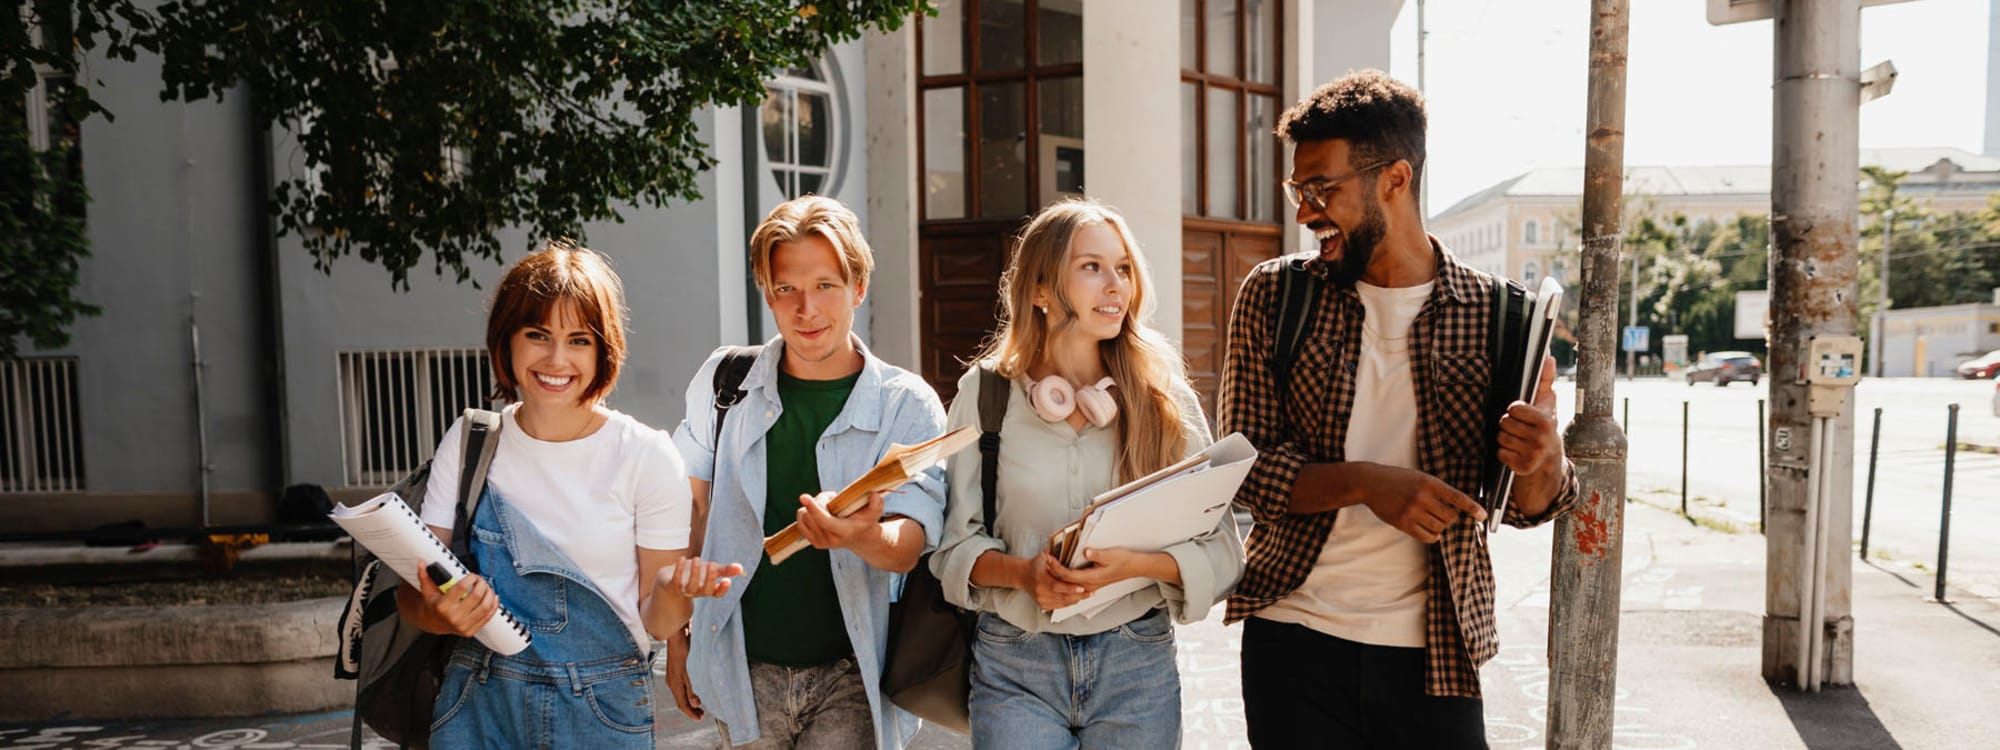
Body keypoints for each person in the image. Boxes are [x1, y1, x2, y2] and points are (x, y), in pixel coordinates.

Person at [1218, 69, 1578, 748]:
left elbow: (1531, 505)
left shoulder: (1500, 314)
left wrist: (1543, 455)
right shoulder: (1276, 296)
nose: (1304, 211)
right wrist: (1367, 483)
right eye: (1299, 190)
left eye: (1321, 188)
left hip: (1435, 654)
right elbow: (1243, 472)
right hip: (1294, 640)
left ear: (1395, 179)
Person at [398, 239, 739, 748]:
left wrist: (676, 592)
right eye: (537, 335)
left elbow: (656, 619)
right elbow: (413, 596)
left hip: (603, 711)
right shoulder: (470, 442)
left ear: (604, 349)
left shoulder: (646, 455)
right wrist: (440, 613)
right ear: (506, 342)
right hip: (479, 706)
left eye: (579, 339)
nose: (557, 359)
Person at [930, 199, 1244, 749]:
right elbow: (953, 547)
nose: (1115, 286)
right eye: (1092, 267)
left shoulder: (1161, 395)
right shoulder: (986, 393)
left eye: (1122, 268)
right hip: (1014, 661)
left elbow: (1221, 550)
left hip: (1136, 662)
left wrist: (1135, 566)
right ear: (1041, 290)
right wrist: (1026, 575)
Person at [667, 195, 949, 750]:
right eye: (786, 289)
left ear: (858, 288)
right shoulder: (725, 383)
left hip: (852, 674)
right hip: (743, 667)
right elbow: (689, 514)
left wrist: (861, 536)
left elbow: (911, 542)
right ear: (768, 294)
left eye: (826, 285)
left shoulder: (906, 404)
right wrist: (678, 637)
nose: (807, 310)